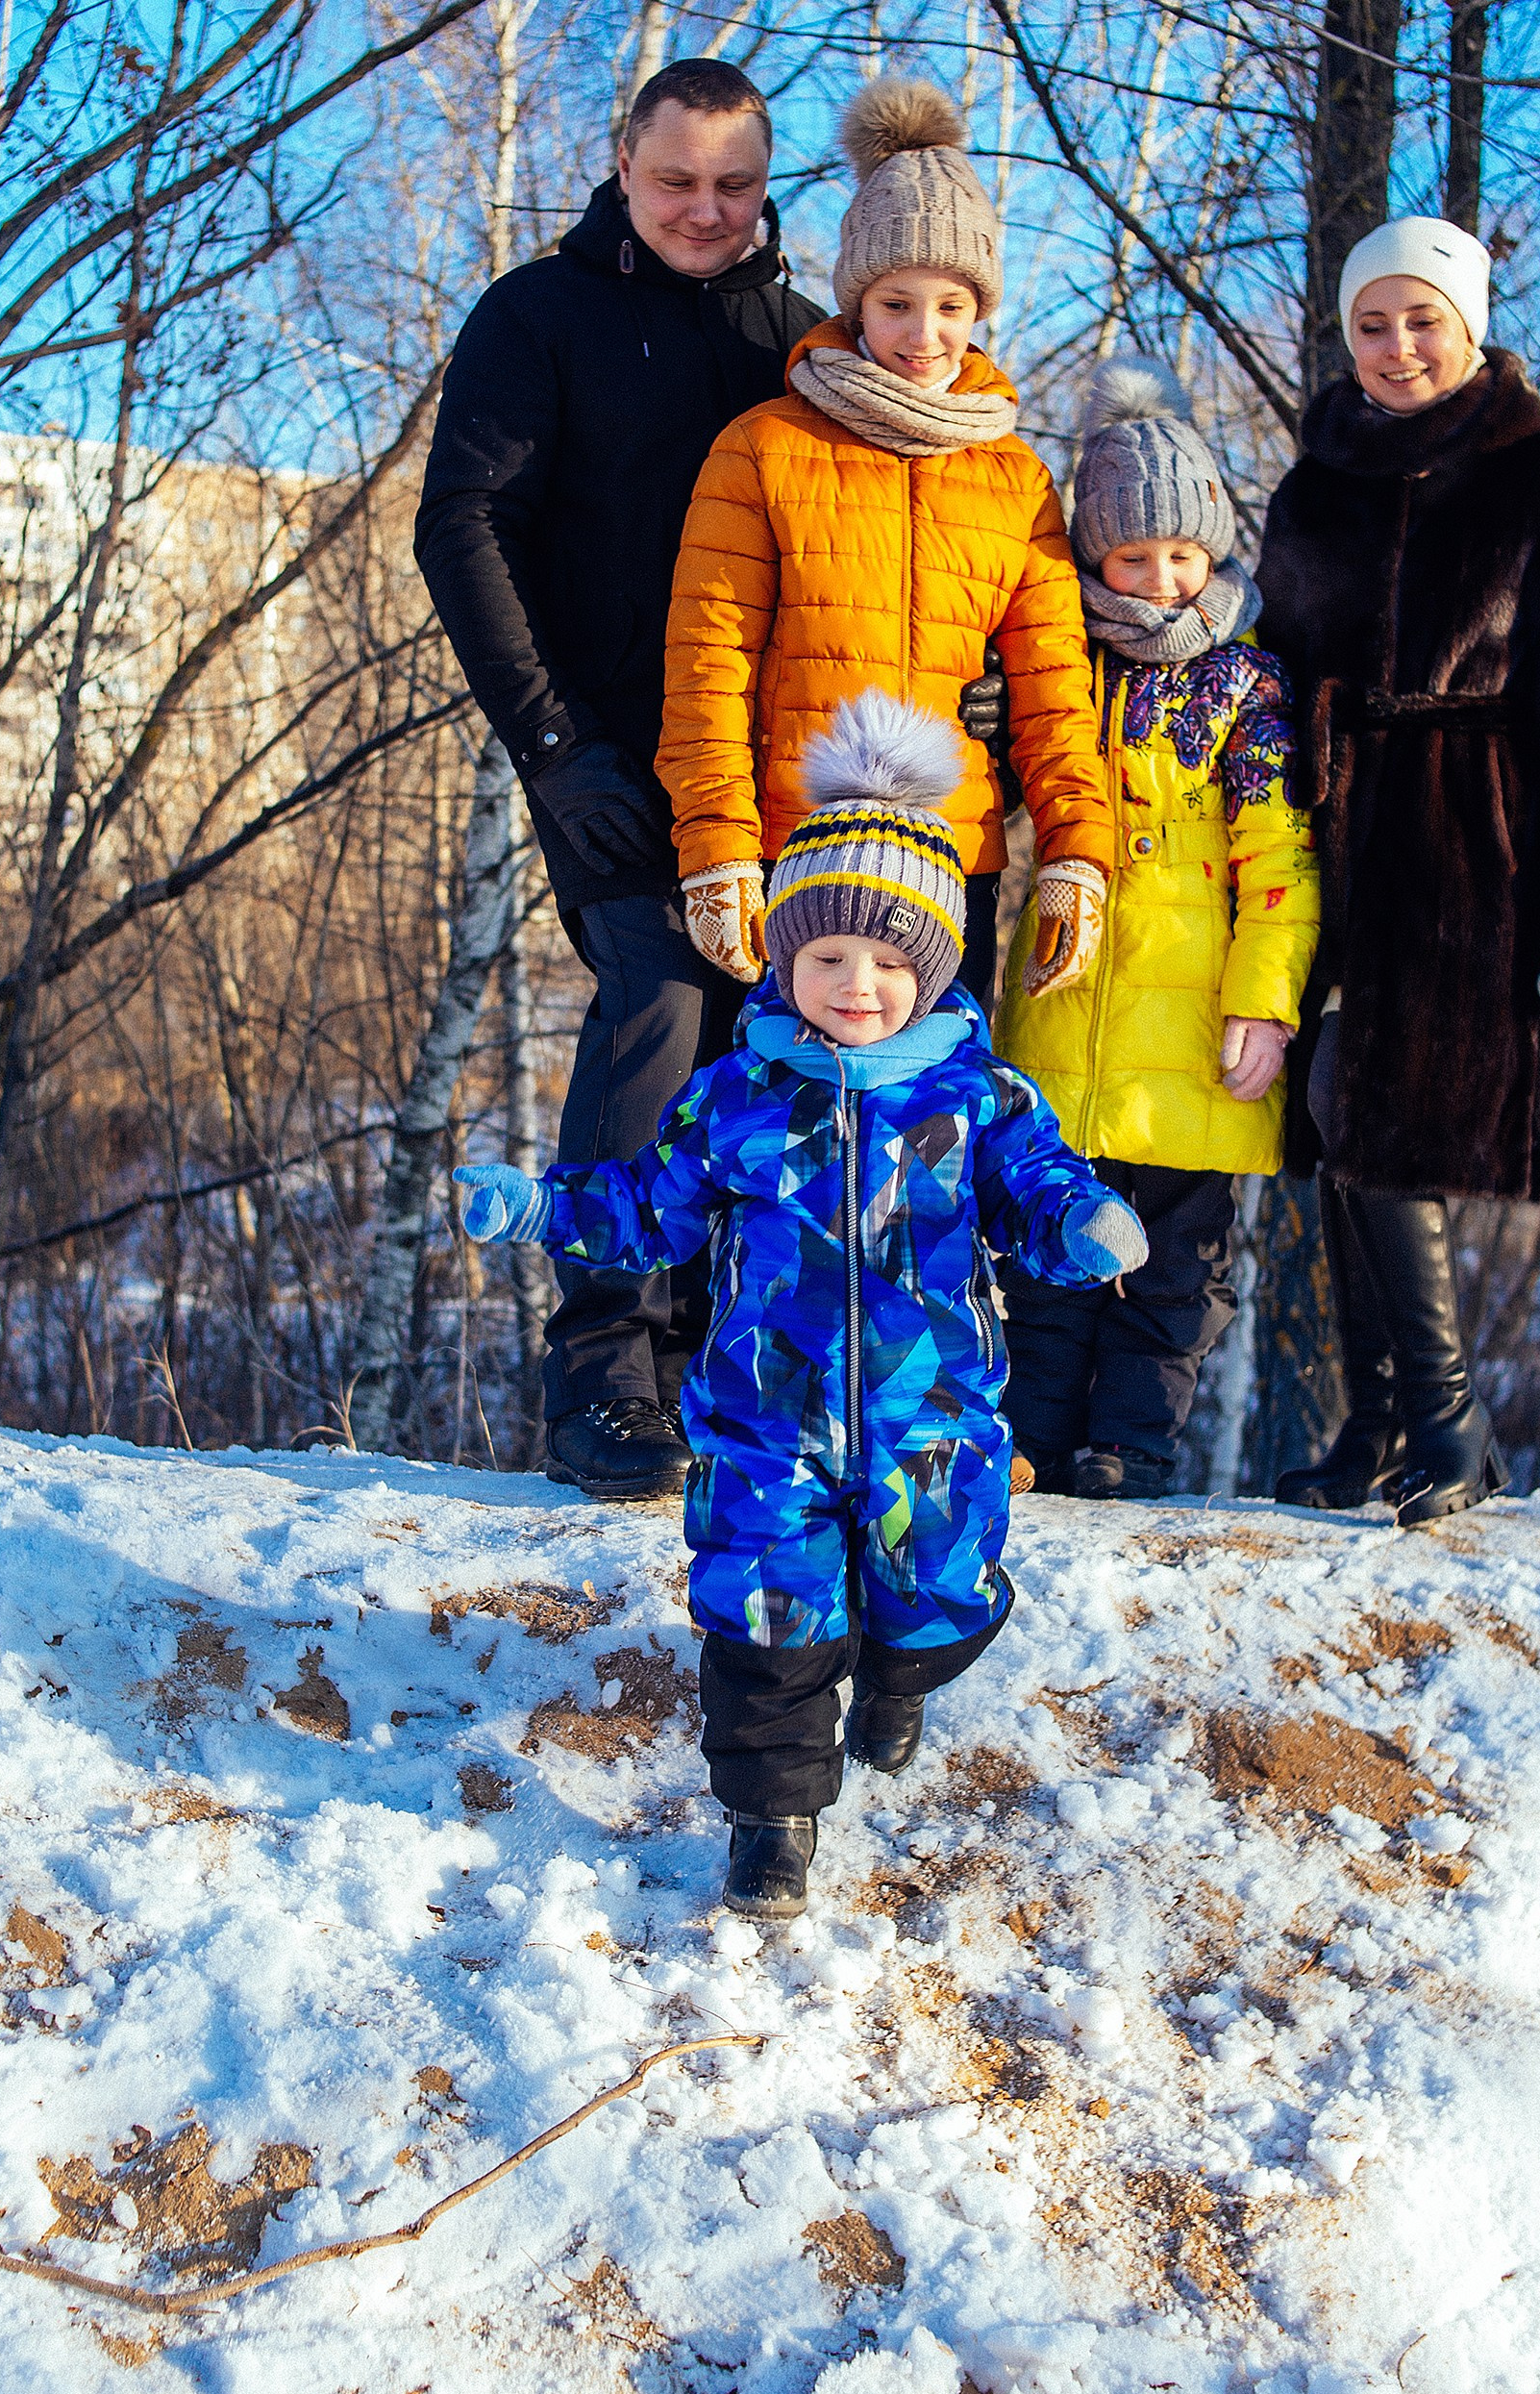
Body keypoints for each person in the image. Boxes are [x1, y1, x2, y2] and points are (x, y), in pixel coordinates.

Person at [452, 694, 1148, 1921]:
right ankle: (769, 1824)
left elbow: (1036, 1192)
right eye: (825, 957)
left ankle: (898, 1676)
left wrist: (1080, 1225)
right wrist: (539, 1208)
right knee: (764, 1613)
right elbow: (646, 1208)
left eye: (888, 961)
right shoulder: (738, 1092)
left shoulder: (976, 1099)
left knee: (932, 1594)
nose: (856, 984)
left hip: (929, 1416)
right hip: (761, 1419)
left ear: (930, 968)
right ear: (784, 959)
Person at [414, 59, 828, 1503]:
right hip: (600, 753)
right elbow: (463, 527)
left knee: (766, 1046)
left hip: (779, 770)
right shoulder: (540, 317)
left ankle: (717, 1370)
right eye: (676, 181)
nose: (704, 211)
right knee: (657, 1002)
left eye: (733, 186)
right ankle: (605, 1374)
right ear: (623, 166)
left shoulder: (803, 337)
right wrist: (550, 742)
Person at [1259, 216, 1540, 1526]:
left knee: (1393, 1119)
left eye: (1422, 319)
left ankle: (1450, 1427)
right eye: (1372, 323)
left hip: (1468, 838)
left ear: (1469, 323)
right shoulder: (1313, 483)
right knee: (1331, 1120)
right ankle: (1379, 1426)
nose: (1397, 346)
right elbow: (1267, 664)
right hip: (1322, 834)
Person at [656, 76, 1114, 1022]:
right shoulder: (763, 448)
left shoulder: (1014, 477)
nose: (923, 332)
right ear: (856, 301)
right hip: (796, 865)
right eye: (896, 302)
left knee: (937, 1138)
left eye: (950, 305)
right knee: (782, 1145)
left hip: (949, 873)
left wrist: (1075, 854)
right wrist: (714, 848)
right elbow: (707, 670)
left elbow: (1053, 693)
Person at [995, 360, 1320, 1500]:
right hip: (1063, 1017)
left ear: (1213, 553)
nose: (1159, 580)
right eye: (1132, 558)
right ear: (1093, 559)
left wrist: (1263, 1004)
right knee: (1047, 1249)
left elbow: (1278, 859)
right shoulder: (1059, 667)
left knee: (1173, 1266)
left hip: (1191, 1037)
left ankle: (1128, 1448)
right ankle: (1029, 1436)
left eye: (1180, 555)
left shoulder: (1245, 686)